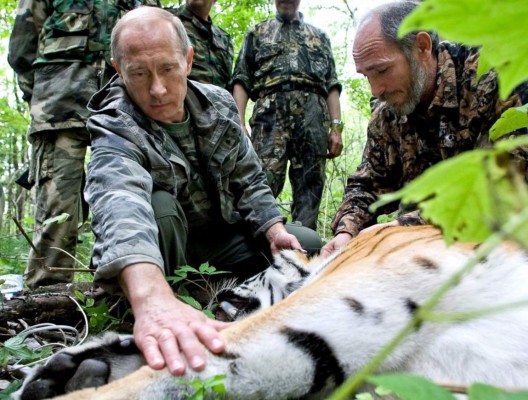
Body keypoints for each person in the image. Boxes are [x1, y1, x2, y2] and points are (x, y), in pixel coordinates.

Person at [84, 6, 321, 375]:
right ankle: (171, 302)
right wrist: (149, 297)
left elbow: (250, 180)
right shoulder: (114, 124)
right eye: (139, 74)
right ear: (118, 70)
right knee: (159, 206)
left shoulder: (220, 104)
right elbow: (119, 202)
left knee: (308, 244)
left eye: (167, 69)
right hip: (161, 253)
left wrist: (274, 230)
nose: (158, 89)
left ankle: (216, 289)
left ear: (188, 60)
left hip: (220, 240)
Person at [321, 0, 528, 258]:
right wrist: (346, 233)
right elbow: (367, 183)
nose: (376, 90)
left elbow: (507, 182)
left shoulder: (495, 76)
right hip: (424, 256)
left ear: (422, 47)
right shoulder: (388, 114)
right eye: (366, 75)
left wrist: (401, 230)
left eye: (382, 70)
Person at [7, 0, 160, 288]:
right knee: (58, 210)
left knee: (129, 199)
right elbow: (22, 49)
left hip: (123, 111)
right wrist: (42, 97)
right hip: (60, 107)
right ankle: (46, 300)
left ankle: (118, 292)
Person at [232, 0, 343, 231]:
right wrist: (239, 122)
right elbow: (241, 79)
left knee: (310, 185)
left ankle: (306, 247)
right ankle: (257, 246)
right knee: (262, 180)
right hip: (270, 113)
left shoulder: (319, 36)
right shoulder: (257, 32)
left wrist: (336, 127)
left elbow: (332, 84)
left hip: (314, 114)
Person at [167, 0, 233, 89]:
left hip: (216, 101)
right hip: (182, 100)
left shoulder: (224, 39)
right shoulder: (167, 20)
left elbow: (228, 85)